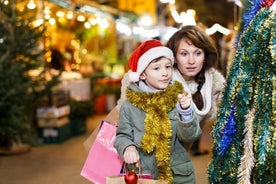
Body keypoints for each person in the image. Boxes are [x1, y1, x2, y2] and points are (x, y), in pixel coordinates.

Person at [114, 39, 201, 184]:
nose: (165, 73)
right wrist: (127, 148)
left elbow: (190, 137)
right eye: (156, 68)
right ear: (142, 74)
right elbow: (122, 135)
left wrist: (186, 112)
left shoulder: (178, 98)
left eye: (168, 67)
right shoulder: (129, 106)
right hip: (145, 175)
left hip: (179, 176)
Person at [166, 25, 226, 156]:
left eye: (197, 53)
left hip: (179, 155)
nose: (191, 61)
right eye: (184, 54)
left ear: (205, 56)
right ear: (174, 57)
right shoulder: (161, 78)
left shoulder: (214, 82)